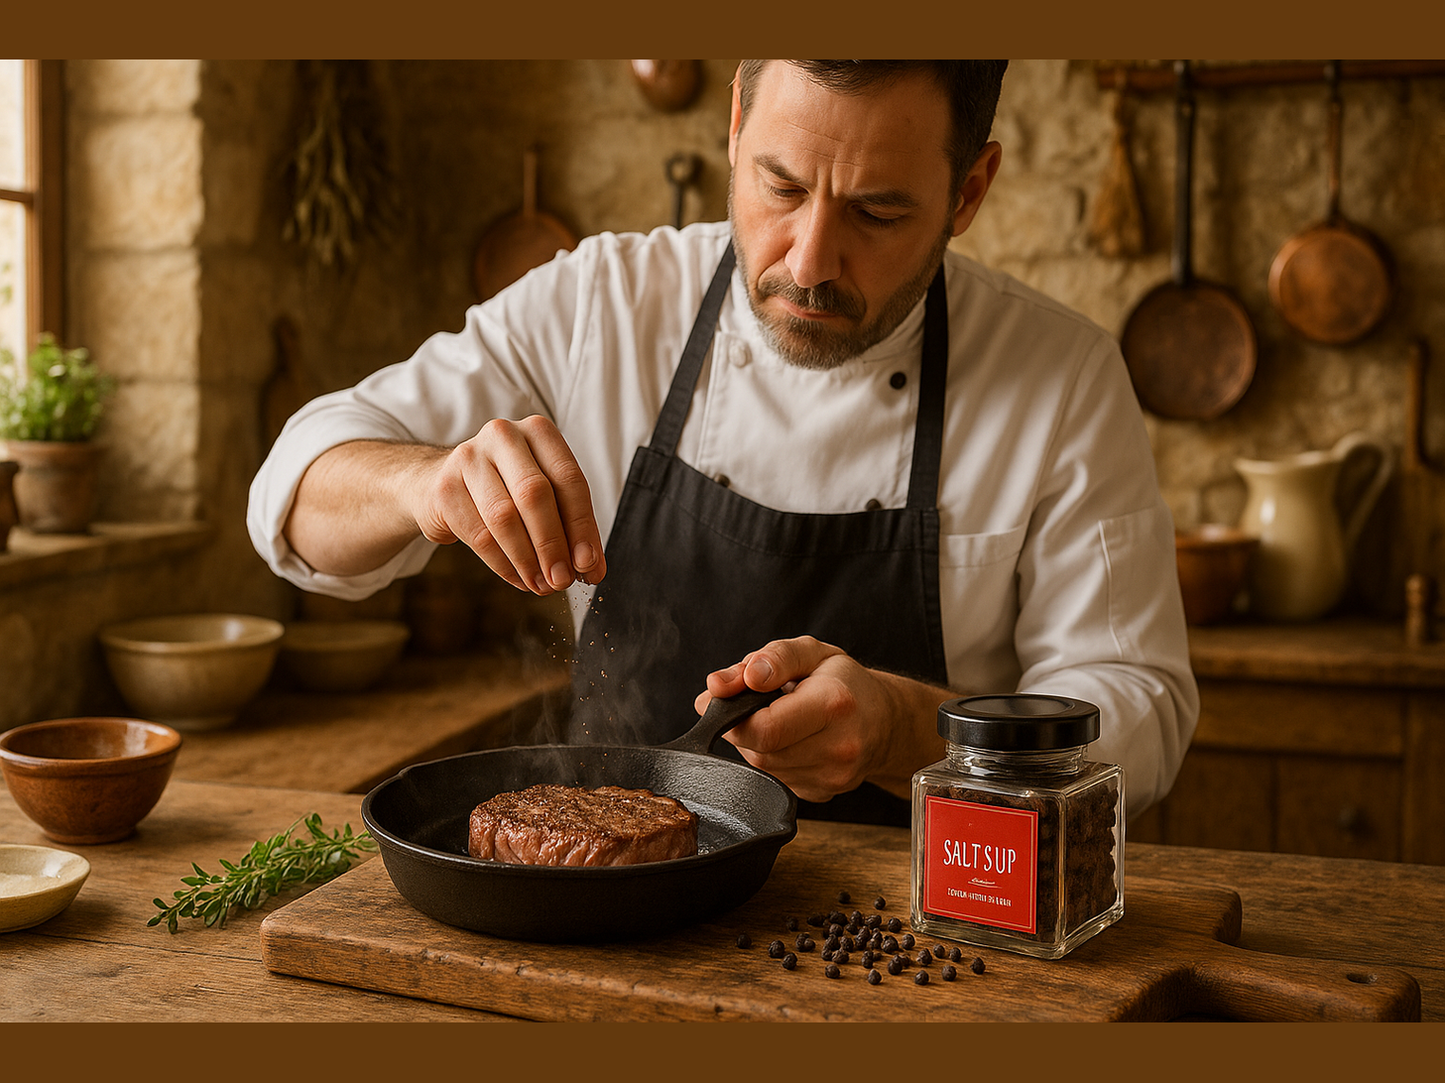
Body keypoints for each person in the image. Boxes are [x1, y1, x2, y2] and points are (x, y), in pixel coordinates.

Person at [248, 59, 1198, 826]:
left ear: (968, 190)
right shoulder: (600, 304)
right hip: (609, 913)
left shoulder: (1063, 377)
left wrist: (908, 728)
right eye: (780, 185)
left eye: (878, 212)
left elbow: (1142, 713)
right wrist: (426, 482)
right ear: (735, 124)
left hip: (929, 930)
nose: (809, 262)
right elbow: (291, 499)